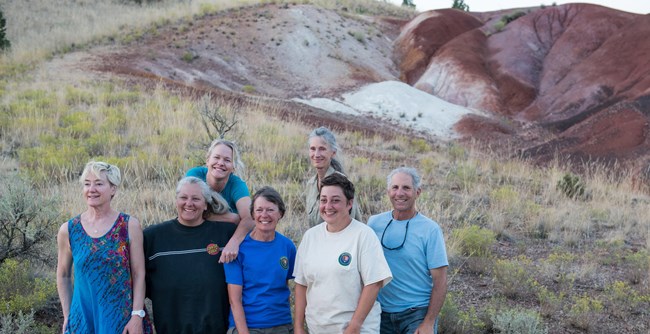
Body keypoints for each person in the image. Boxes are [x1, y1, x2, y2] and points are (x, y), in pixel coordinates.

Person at [56, 161, 153, 334]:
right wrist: (68, 315)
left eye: (99, 183)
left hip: (122, 320)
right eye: (87, 184)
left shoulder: (129, 225)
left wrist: (137, 315)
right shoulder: (69, 230)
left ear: (113, 189)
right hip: (83, 320)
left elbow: (139, 274)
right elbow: (63, 275)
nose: (91, 189)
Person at [294, 173, 392, 333]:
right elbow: (301, 284)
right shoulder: (310, 237)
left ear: (349, 204)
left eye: (335, 200)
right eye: (324, 200)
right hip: (317, 329)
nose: (328, 206)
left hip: (356, 329)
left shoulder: (363, 235)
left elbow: (373, 284)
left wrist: (354, 326)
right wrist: (298, 326)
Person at [143, 176, 237, 333]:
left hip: (217, 329)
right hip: (170, 328)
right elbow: (136, 282)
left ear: (206, 204)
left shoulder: (226, 234)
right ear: (176, 201)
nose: (189, 203)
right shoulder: (152, 237)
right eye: (183, 197)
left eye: (196, 199)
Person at [368, 167, 448, 334]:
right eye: (395, 187)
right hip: (380, 312)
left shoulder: (430, 230)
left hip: (416, 314)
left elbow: (440, 282)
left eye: (406, 188)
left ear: (417, 192)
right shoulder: (374, 224)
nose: (400, 193)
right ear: (388, 191)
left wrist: (428, 322)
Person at [224, 186, 297, 334]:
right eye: (259, 210)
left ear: (280, 214)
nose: (264, 215)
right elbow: (234, 300)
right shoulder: (238, 249)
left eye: (270, 210)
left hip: (281, 324)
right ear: (252, 214)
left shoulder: (287, 246)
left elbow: (285, 286)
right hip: (247, 325)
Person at [186, 138, 255, 263]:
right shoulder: (194, 175)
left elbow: (250, 218)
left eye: (227, 160)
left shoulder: (237, 185)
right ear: (208, 160)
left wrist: (233, 243)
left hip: (226, 241)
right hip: (196, 234)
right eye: (216, 157)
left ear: (233, 167)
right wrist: (232, 218)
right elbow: (188, 210)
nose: (220, 163)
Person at [305, 126, 362, 227]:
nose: (316, 154)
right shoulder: (310, 184)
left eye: (322, 149)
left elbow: (351, 225)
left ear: (333, 153)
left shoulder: (342, 184)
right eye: (313, 149)